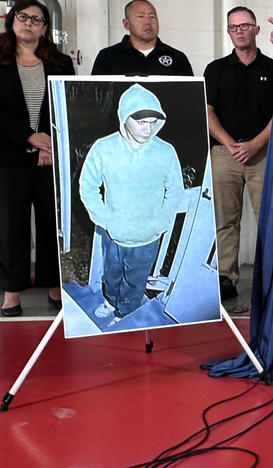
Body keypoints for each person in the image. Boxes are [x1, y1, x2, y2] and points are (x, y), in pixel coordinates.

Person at [79, 84, 185, 325]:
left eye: (152, 123)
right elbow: (87, 186)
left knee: (136, 280)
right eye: (141, 122)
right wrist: (106, 219)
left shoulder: (165, 151)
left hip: (148, 236)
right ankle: (111, 301)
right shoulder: (104, 148)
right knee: (112, 274)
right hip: (114, 232)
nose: (148, 130)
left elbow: (175, 191)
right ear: (124, 117)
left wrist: (161, 222)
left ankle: (124, 313)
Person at [0, 1, 74, 317]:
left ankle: (54, 288)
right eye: (23, 16)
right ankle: (11, 293)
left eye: (36, 19)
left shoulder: (61, 63)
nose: (29, 23)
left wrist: (49, 145)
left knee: (51, 225)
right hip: (9, 158)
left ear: (45, 28)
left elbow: (68, 105)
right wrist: (30, 137)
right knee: (11, 227)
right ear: (11, 20)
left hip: (50, 160)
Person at [204, 6, 273, 299]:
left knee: (270, 219)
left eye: (245, 25)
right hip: (225, 154)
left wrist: (254, 145)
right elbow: (208, 112)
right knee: (224, 219)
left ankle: (272, 278)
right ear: (228, 31)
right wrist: (230, 144)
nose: (239, 31)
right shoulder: (216, 69)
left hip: (263, 153)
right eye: (233, 27)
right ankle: (225, 277)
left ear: (256, 29)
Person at [91, 0, 193, 76]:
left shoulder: (177, 58)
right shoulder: (107, 56)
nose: (148, 22)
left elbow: (190, 99)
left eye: (152, 17)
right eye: (141, 16)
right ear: (126, 24)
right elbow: (96, 98)